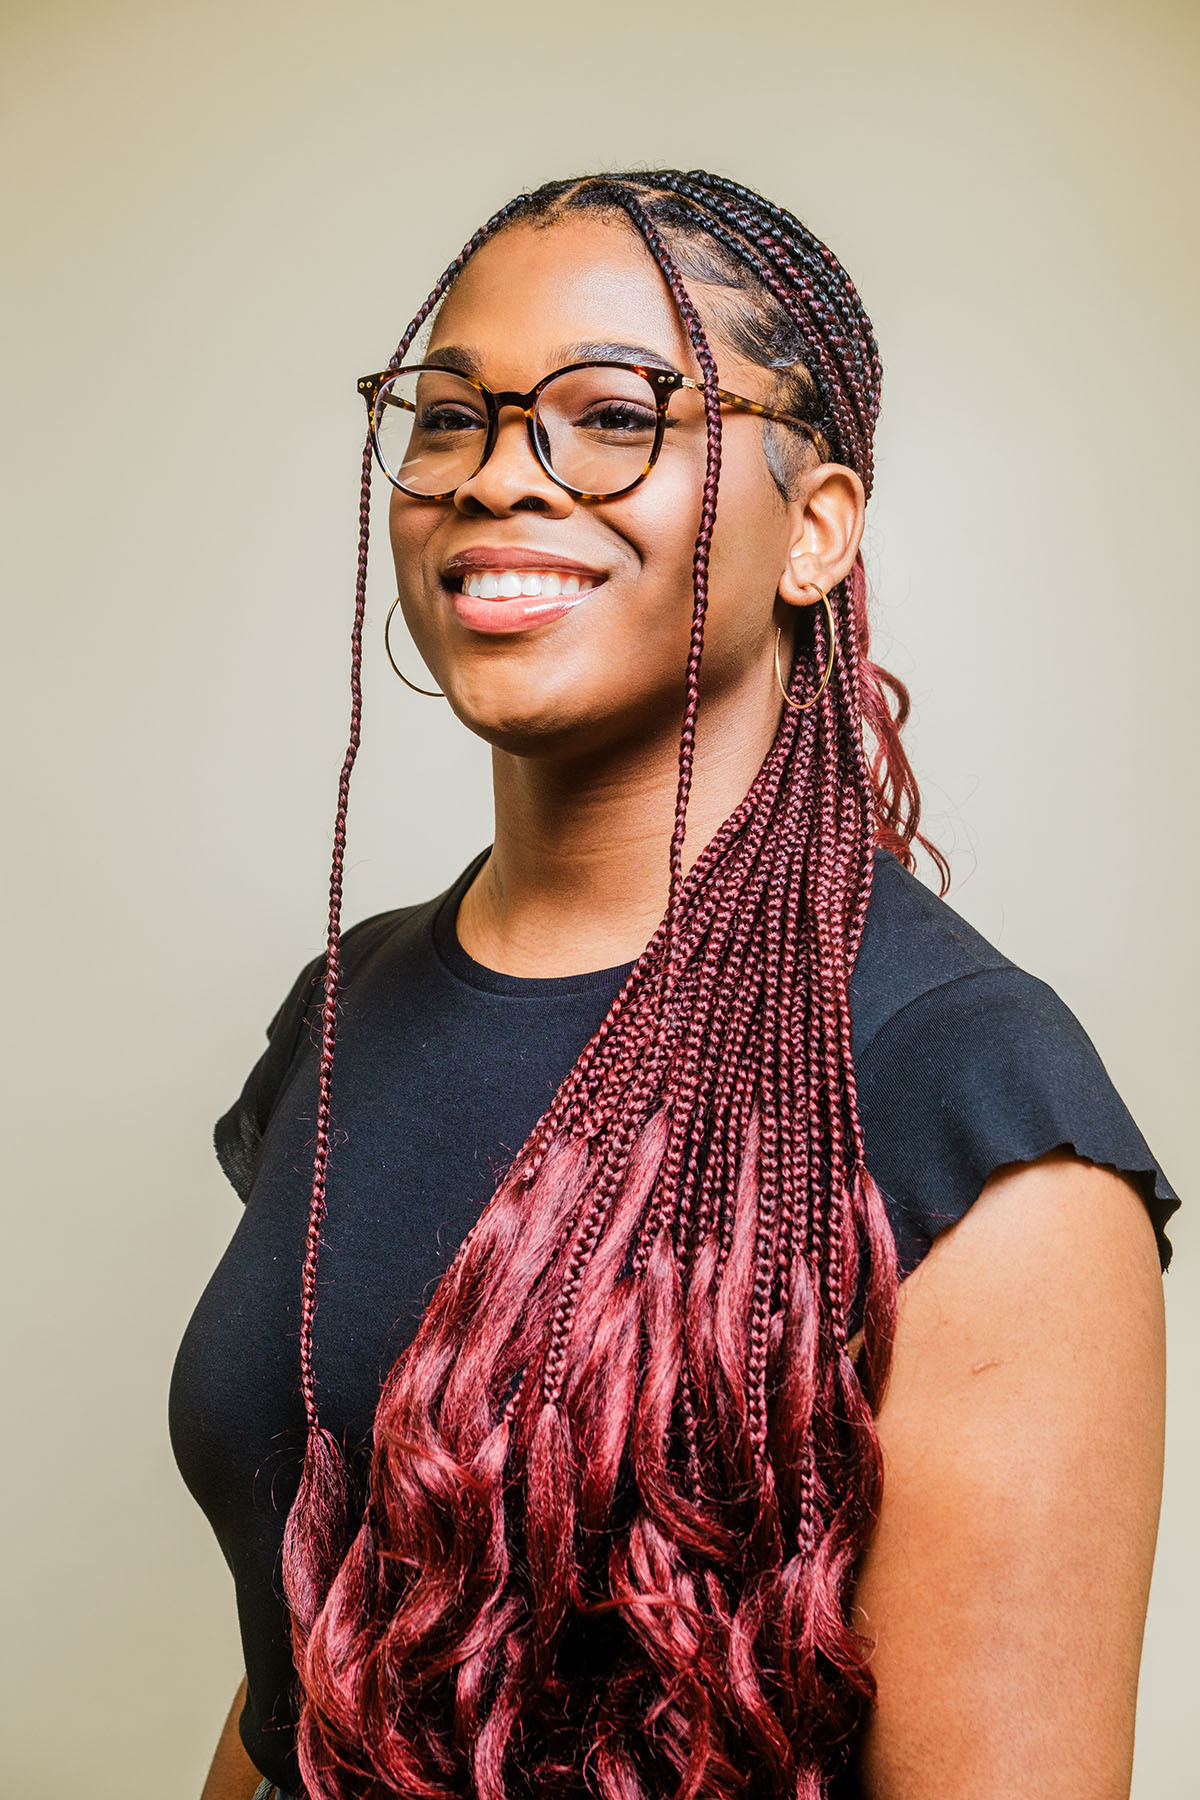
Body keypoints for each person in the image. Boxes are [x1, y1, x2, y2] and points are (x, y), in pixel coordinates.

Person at [170, 170, 1181, 1800]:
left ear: (820, 529)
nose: (502, 473)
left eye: (615, 412)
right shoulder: (346, 1012)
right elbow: (298, 1679)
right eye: (450, 416)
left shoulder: (965, 1101)